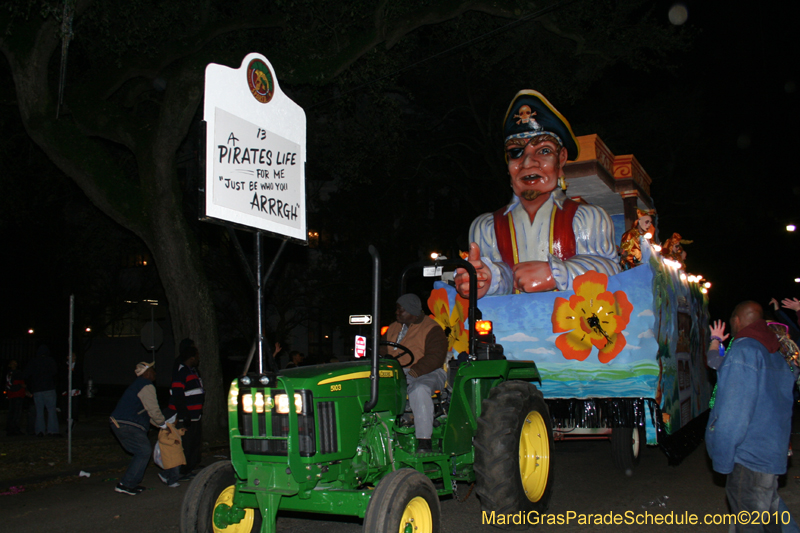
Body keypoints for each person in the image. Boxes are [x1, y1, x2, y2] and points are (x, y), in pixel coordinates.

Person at [455, 89, 619, 299]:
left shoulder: (588, 218)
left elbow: (611, 269)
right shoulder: (486, 226)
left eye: (543, 151)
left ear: (561, 159)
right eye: (516, 152)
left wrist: (557, 273)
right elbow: (502, 274)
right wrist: (484, 279)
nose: (527, 162)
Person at [705, 301, 796, 532]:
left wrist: (722, 459)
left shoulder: (744, 351)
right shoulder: (775, 352)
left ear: (736, 320)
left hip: (749, 458)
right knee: (769, 518)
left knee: (750, 523)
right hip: (771, 453)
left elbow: (734, 413)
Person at [380, 294, 448, 453]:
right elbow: (382, 348)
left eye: (400, 310)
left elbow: (435, 357)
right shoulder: (392, 328)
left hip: (427, 371)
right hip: (397, 372)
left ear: (412, 311)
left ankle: (424, 441)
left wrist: (413, 373)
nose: (397, 313)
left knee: (419, 389)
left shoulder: (432, 329)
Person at [110, 361, 167, 495]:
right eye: (152, 370)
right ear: (146, 373)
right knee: (143, 451)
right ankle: (126, 484)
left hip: (121, 422)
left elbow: (148, 413)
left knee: (141, 452)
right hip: (128, 423)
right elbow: (153, 409)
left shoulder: (138, 385)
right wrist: (163, 424)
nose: (155, 373)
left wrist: (161, 424)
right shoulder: (146, 385)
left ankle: (130, 483)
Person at [164, 342, 205, 479]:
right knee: (185, 445)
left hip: (195, 416)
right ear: (192, 358)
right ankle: (181, 471)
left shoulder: (192, 372)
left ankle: (189, 468)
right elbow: (177, 393)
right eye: (197, 356)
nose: (198, 359)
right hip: (186, 416)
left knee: (194, 444)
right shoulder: (181, 372)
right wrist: (184, 414)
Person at [23, 344, 60, 437]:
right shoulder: (50, 360)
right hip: (49, 388)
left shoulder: (33, 361)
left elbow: (26, 374)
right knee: (51, 410)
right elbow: (55, 372)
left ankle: (40, 431)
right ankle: (52, 431)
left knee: (39, 411)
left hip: (37, 389)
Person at [5, 359, 26, 436]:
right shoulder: (11, 374)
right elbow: (10, 385)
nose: (15, 364)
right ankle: (13, 429)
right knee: (15, 413)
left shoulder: (17, 372)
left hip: (18, 394)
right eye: (12, 363)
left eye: (15, 362)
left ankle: (13, 429)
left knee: (15, 412)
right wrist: (20, 386)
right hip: (15, 395)